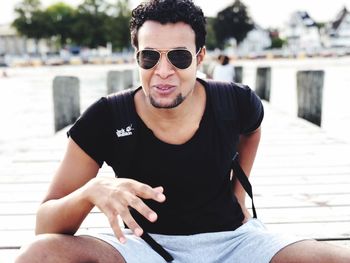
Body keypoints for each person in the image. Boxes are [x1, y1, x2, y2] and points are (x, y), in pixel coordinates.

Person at [15, 0, 350, 262]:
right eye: (149, 57)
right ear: (136, 58)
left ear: (200, 57)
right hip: (143, 248)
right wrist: (92, 190)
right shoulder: (106, 117)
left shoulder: (235, 101)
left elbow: (253, 130)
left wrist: (238, 193)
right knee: (37, 254)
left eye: (178, 56)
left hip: (236, 241)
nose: (163, 71)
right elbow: (44, 228)